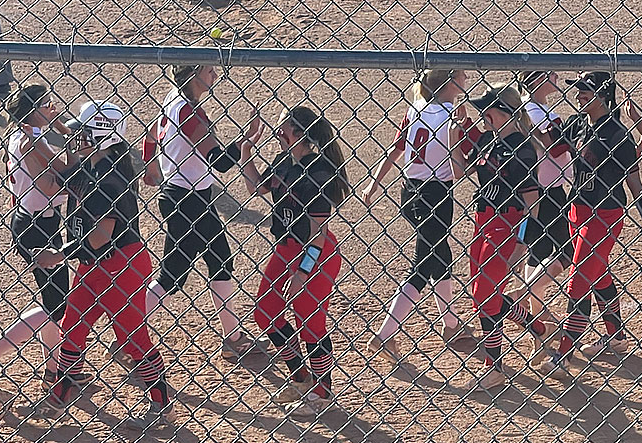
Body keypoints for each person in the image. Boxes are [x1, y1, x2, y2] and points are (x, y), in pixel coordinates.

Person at [44, 101, 170, 432]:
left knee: (131, 337)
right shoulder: (94, 167)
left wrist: (57, 255)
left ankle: (160, 403)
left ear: (102, 135)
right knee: (72, 326)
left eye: (83, 134)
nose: (76, 139)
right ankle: (61, 392)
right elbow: (57, 177)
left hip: (121, 265)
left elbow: (100, 237)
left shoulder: (108, 179)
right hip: (94, 264)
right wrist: (40, 132)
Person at [142, 65, 258, 360]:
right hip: (188, 202)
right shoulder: (190, 113)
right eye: (209, 70)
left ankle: (233, 337)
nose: (215, 75)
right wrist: (247, 140)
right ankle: (128, 333)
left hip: (188, 197)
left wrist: (150, 166)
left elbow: (151, 136)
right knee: (173, 276)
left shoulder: (174, 99)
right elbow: (218, 162)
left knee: (219, 260)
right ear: (193, 75)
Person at [551, 72, 642, 367]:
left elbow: (635, 184)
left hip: (604, 215)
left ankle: (563, 353)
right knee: (597, 272)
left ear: (603, 95)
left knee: (579, 280)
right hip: (576, 211)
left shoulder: (618, 136)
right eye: (578, 91)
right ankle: (616, 336)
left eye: (585, 91)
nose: (578, 96)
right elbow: (548, 145)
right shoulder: (577, 125)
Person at [241, 105, 349, 412]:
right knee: (266, 312)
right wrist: (246, 151)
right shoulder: (282, 161)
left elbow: (317, 234)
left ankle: (322, 392)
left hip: (316, 253)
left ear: (301, 135)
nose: (277, 135)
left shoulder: (319, 172)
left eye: (283, 130)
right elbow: (256, 188)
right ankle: (301, 377)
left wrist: (301, 274)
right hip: (286, 246)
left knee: (309, 321)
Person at [362, 68, 474, 362]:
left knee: (440, 255)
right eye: (462, 76)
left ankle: (450, 324)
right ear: (449, 82)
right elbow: (470, 156)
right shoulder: (453, 116)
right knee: (423, 265)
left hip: (409, 191)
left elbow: (396, 149)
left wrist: (374, 183)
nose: (466, 79)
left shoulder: (416, 109)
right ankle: (385, 335)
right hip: (436, 196)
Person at [0, 85, 72, 402]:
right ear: (33, 110)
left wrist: (59, 128)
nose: (52, 107)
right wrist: (80, 177)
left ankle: (53, 370)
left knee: (54, 302)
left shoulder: (25, 136)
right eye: (46, 104)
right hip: (37, 227)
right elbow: (47, 187)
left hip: (37, 223)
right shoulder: (31, 141)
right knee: (57, 304)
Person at [465, 84, 550, 390]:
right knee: (481, 295)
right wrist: (455, 132)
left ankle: (494, 367)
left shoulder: (522, 148)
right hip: (482, 221)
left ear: (503, 111)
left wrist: (522, 243)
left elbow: (532, 204)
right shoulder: (488, 139)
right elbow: (460, 169)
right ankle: (538, 327)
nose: (482, 116)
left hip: (507, 224)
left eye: (486, 110)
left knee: (485, 295)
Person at [522, 70, 574, 321]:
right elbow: (557, 150)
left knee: (537, 249)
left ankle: (536, 313)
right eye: (549, 73)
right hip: (550, 192)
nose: (556, 75)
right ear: (537, 81)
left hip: (524, 191)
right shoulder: (544, 116)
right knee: (571, 249)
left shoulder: (517, 110)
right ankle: (527, 294)